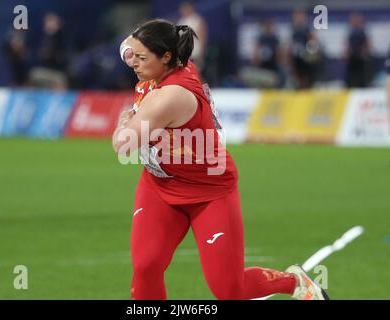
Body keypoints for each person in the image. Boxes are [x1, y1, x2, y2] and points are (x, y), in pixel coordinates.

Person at [113, 19, 329, 300]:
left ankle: (294, 282)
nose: (133, 63)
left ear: (166, 56)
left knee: (229, 290)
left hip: (208, 191)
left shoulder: (170, 96)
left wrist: (122, 119)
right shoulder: (166, 62)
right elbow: (127, 48)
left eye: (141, 58)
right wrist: (132, 49)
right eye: (134, 55)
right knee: (146, 266)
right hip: (160, 186)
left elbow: (123, 144)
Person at [288, 9, 321, 89]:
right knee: (298, 77)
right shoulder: (293, 29)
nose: (298, 18)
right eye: (297, 17)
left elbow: (313, 41)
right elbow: (291, 45)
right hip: (297, 58)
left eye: (300, 16)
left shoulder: (307, 29)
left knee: (307, 77)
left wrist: (311, 53)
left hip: (306, 57)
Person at [177, 2, 207, 71]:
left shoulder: (197, 20)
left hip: (195, 52)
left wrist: (202, 52)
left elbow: (202, 37)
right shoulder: (181, 21)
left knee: (196, 72)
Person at [344, 13, 371, 88]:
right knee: (351, 74)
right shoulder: (351, 31)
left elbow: (366, 42)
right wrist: (346, 53)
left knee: (361, 75)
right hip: (352, 57)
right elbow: (347, 43)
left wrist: (365, 52)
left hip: (360, 57)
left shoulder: (361, 31)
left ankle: (361, 87)